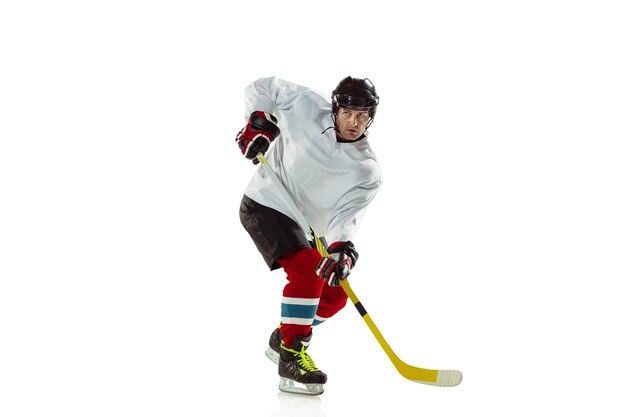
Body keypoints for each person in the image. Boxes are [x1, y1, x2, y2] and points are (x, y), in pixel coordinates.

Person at [235, 76, 382, 395]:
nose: (354, 122)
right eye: (348, 113)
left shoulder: (366, 170)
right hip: (266, 202)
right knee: (306, 272)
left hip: (307, 228)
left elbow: (346, 219)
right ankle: (291, 357)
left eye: (363, 114)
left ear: (372, 116)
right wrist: (259, 122)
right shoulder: (304, 106)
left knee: (334, 293)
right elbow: (262, 87)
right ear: (335, 108)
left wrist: (342, 253)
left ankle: (285, 337)